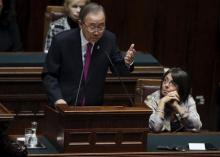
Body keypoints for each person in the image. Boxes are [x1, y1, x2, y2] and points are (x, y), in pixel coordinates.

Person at [42, 2, 136, 108]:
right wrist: (58, 99)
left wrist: (127, 63)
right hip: (64, 106)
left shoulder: (109, 40)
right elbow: (49, 75)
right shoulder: (62, 41)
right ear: (81, 24)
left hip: (93, 108)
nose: (96, 32)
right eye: (92, 27)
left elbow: (118, 71)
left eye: (101, 26)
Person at [144, 68, 202, 132]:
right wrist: (162, 102)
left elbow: (197, 126)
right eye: (165, 80)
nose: (166, 85)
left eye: (173, 83)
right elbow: (156, 128)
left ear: (181, 87)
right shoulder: (151, 99)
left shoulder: (188, 99)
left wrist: (176, 106)